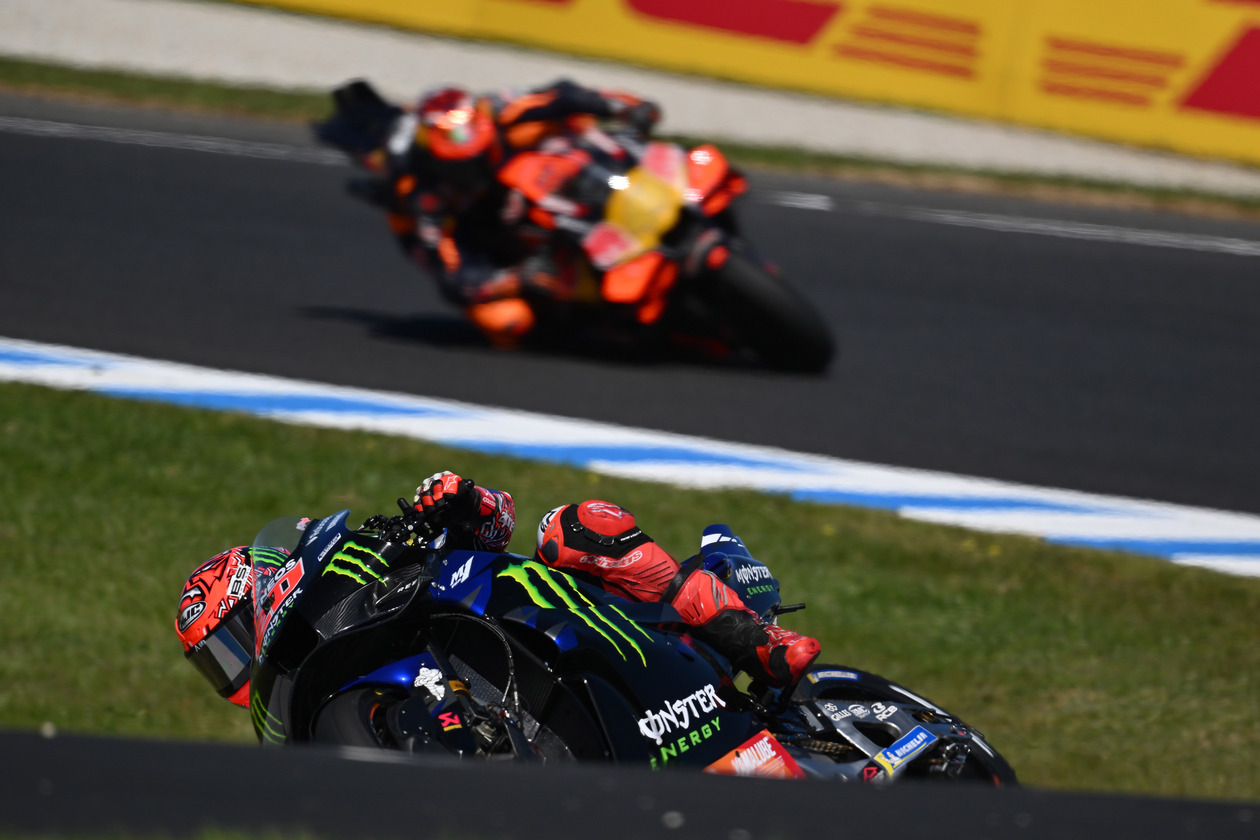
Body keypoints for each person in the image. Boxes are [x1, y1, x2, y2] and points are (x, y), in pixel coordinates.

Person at [176, 471, 820, 709]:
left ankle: (758, 640)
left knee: (570, 527)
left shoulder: (368, 564)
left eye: (229, 643)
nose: (232, 669)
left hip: (563, 612)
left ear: (265, 590)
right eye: (216, 663)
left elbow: (497, 525)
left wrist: (459, 501)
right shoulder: (299, 709)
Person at [314, 78, 662, 346]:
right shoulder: (423, 198)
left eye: (477, 160)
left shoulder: (499, 110)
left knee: (570, 124)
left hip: (518, 183)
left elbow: (564, 96)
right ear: (438, 162)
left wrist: (623, 106)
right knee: (509, 322)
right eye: (461, 169)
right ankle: (574, 316)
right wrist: (513, 278)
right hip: (470, 229)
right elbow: (452, 276)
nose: (473, 174)